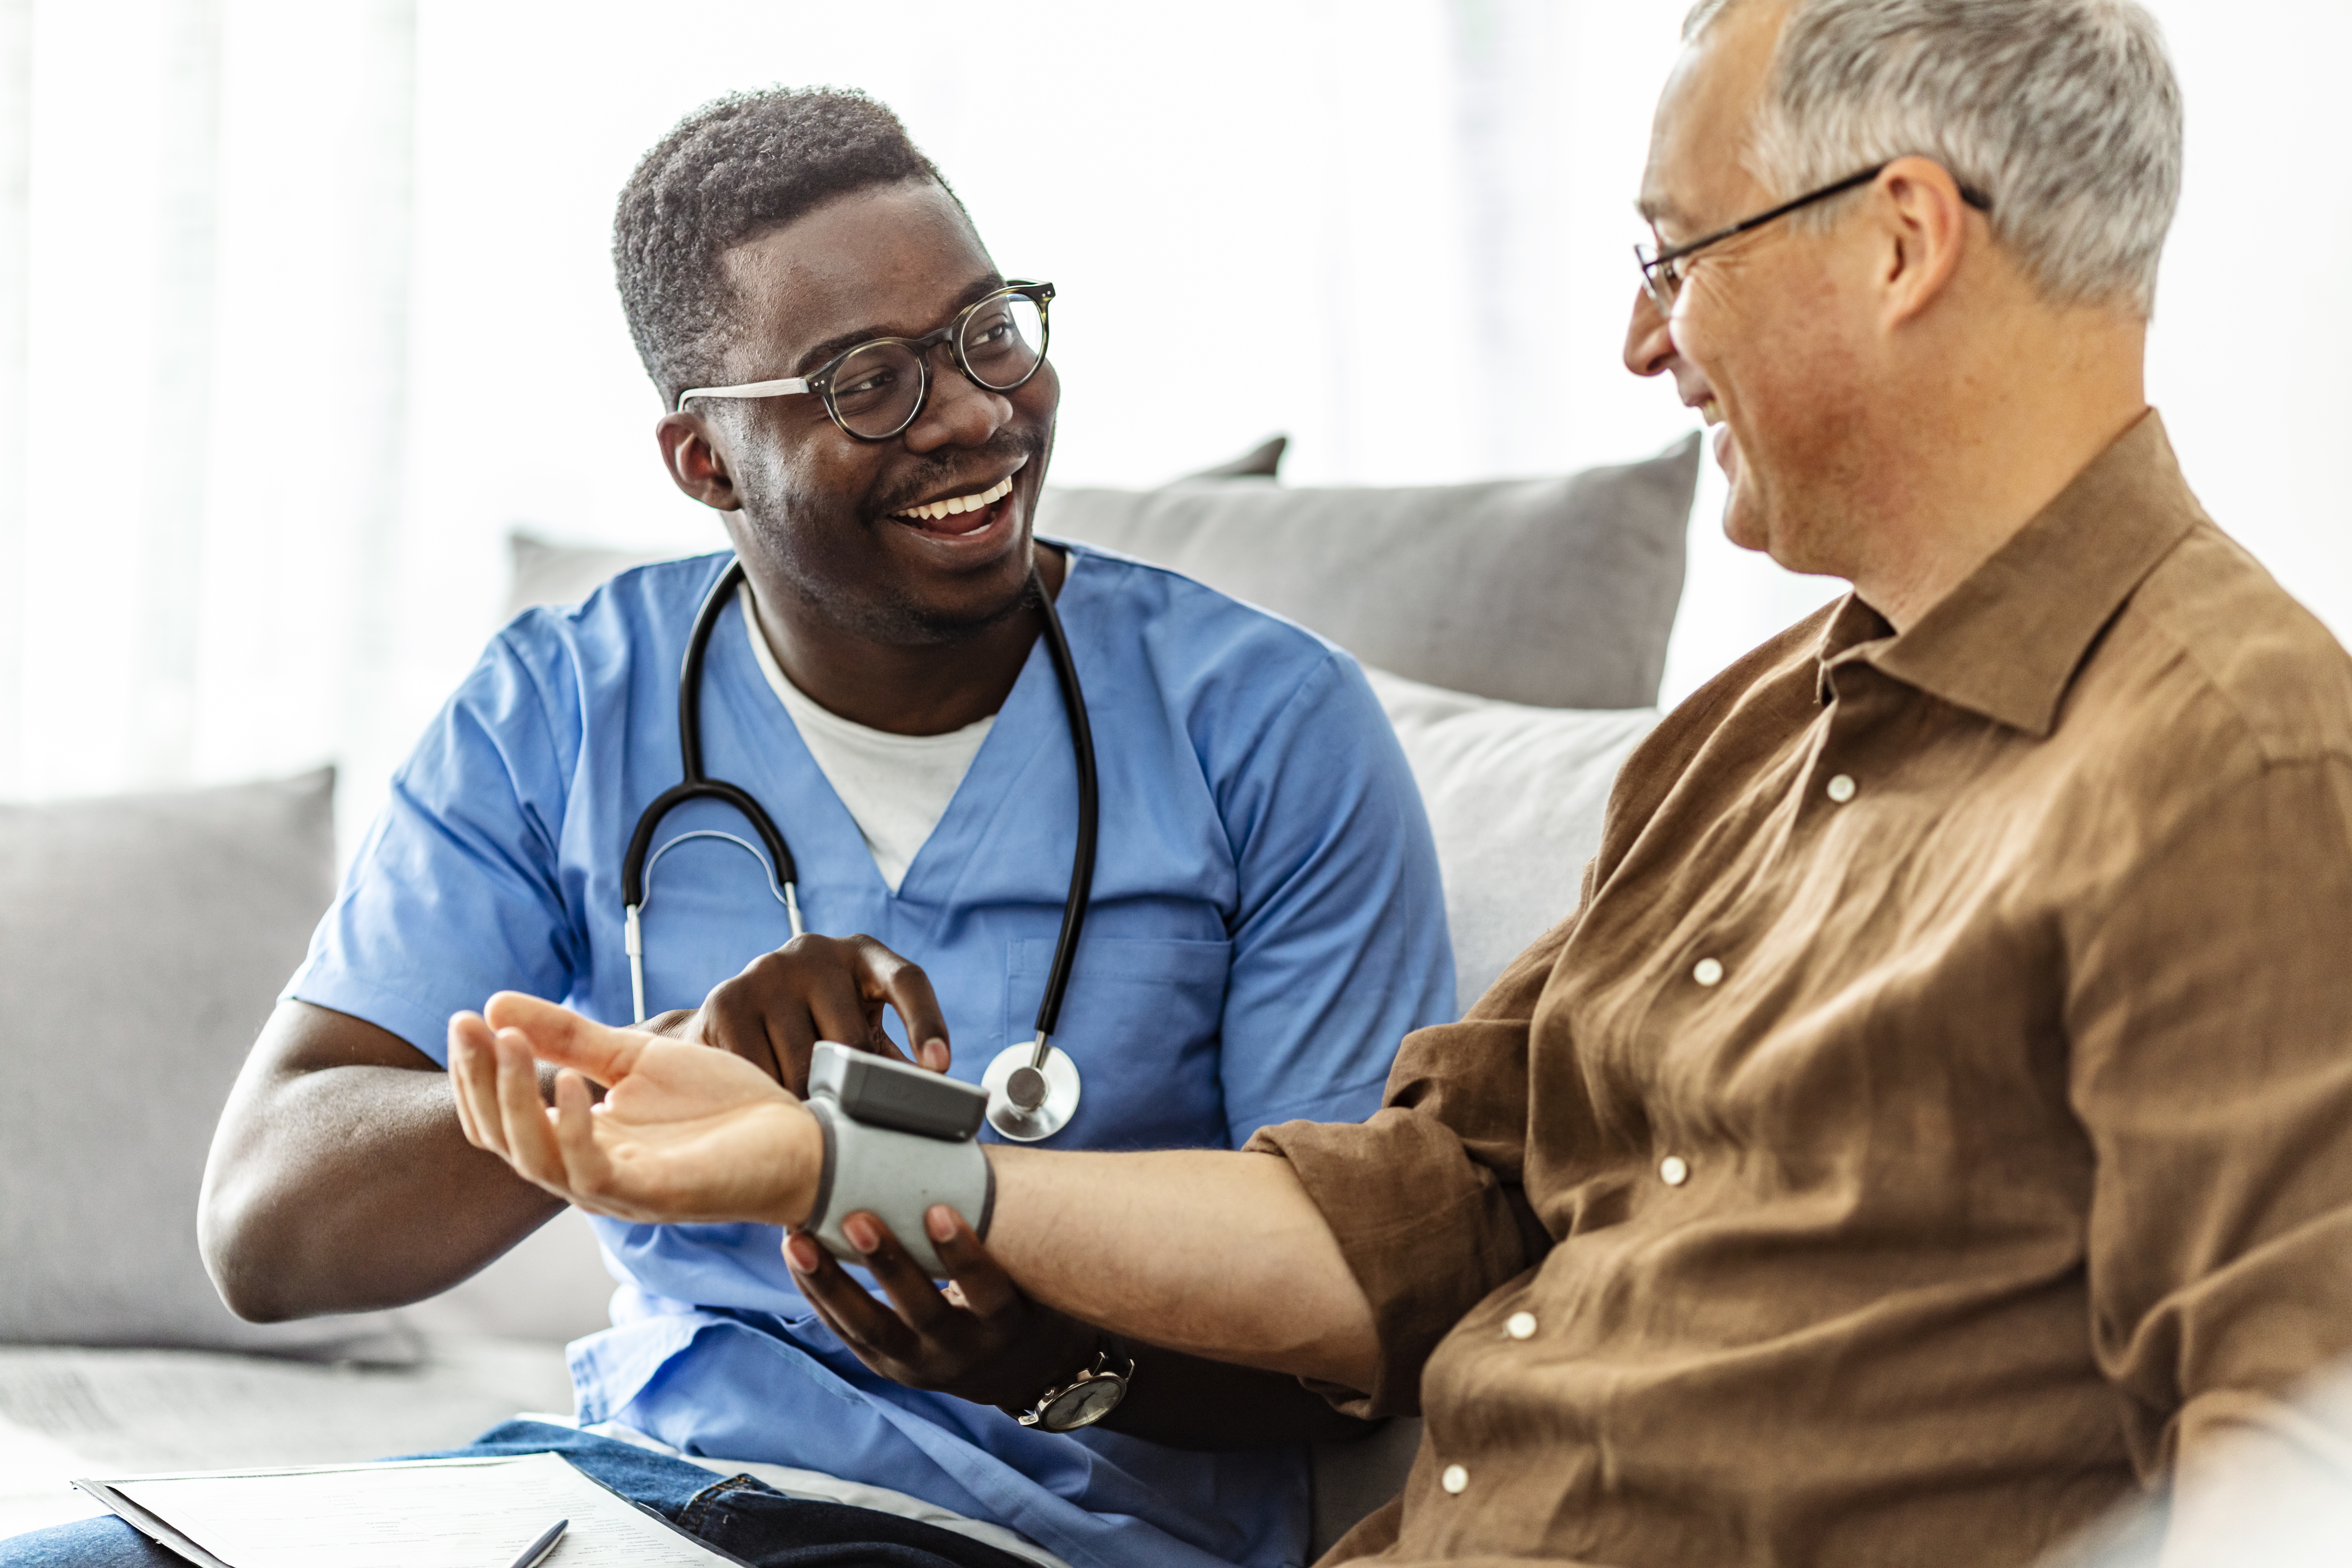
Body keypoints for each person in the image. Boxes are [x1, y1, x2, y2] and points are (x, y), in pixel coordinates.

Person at [430, 2, 2352, 1565]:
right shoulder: (1760, 734)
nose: (1637, 341)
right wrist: (842, 1159)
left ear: (1902, 241)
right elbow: (1411, 1223)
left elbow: (2293, 1475)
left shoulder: (2231, 764)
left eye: (1674, 257)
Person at [0, 89, 1458, 1568]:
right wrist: (658, 1079)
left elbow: (1367, 1319)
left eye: (989, 334)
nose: (967, 413)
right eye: (864, 382)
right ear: (704, 463)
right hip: (622, 1489)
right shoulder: (563, 706)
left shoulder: (1262, 726)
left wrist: (1033, 1355)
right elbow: (270, 1230)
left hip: (1037, 1540)